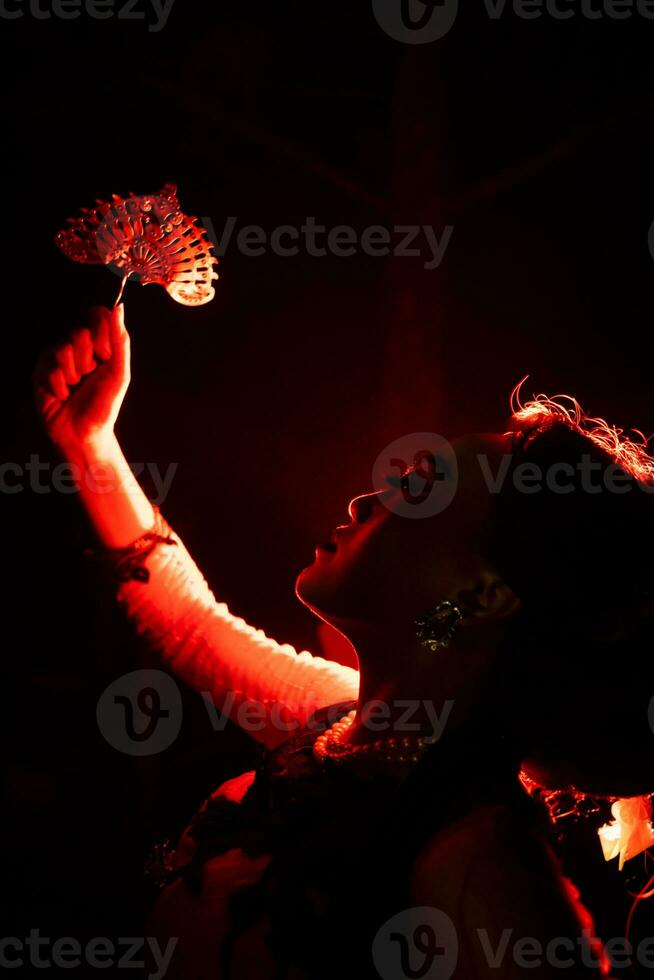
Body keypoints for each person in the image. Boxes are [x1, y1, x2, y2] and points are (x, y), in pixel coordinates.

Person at [34, 303, 654, 978]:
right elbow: (188, 624)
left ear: (482, 596)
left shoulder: (478, 851)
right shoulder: (345, 725)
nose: (367, 500)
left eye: (416, 489)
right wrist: (89, 442)